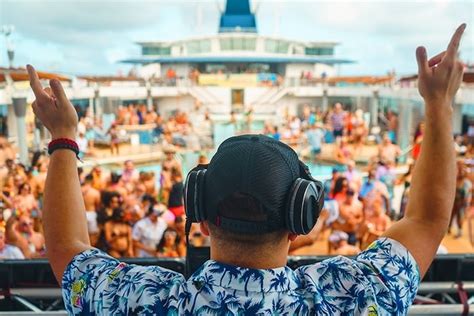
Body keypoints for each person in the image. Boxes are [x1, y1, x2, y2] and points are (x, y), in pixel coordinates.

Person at [27, 24, 466, 314]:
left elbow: (66, 247)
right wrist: (439, 106)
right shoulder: (351, 296)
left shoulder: (143, 299)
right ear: (300, 217)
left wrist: (63, 136)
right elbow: (427, 220)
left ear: (197, 210)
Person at [449, 161, 472, 238]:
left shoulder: (466, 180)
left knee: (459, 216)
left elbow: (467, 195)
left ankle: (459, 231)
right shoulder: (454, 175)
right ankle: (449, 228)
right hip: (454, 200)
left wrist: (466, 203)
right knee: (451, 215)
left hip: (462, 202)